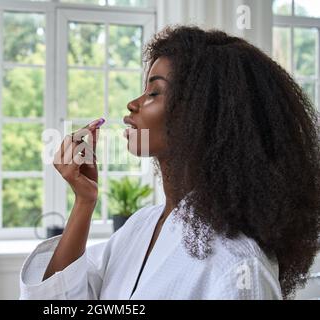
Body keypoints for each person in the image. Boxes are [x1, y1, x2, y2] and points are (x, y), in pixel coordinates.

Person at [19, 26, 320, 300]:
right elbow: (58, 299)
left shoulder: (238, 267)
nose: (133, 104)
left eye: (154, 92)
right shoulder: (141, 227)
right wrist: (84, 202)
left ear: (201, 115)